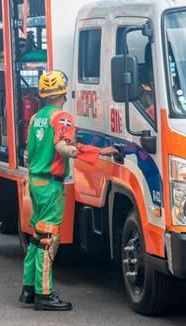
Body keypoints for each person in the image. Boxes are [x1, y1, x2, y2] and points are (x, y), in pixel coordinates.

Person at [20, 70, 118, 311]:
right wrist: (96, 153)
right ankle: (44, 294)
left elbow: (28, 152)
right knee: (49, 238)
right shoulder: (62, 117)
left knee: (36, 236)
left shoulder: (36, 118)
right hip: (51, 185)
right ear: (63, 93)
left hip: (34, 180)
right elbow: (64, 147)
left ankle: (28, 289)